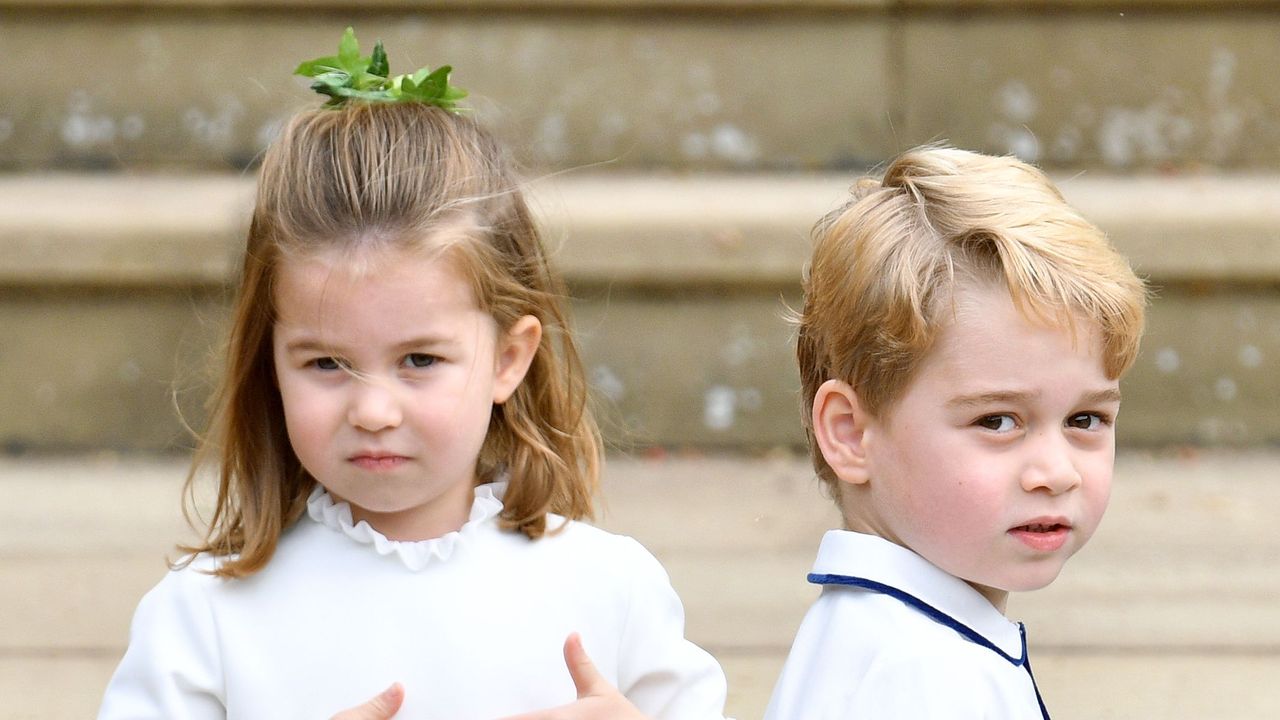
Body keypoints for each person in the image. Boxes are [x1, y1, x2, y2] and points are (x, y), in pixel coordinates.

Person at [97, 29, 726, 720]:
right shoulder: (204, 618)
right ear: (269, 363)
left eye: (420, 361)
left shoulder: (611, 589)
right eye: (326, 363)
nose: (373, 410)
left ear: (509, 359)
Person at [764, 146, 1147, 719]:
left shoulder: (881, 636)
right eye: (996, 421)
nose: (1057, 472)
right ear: (849, 433)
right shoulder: (929, 676)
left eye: (1084, 420)